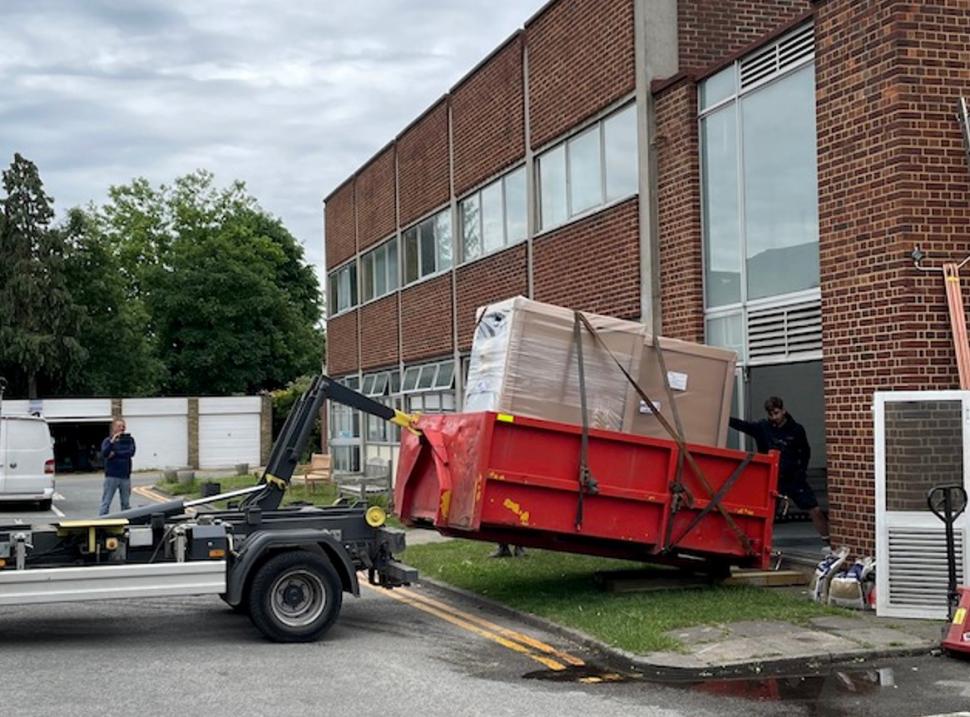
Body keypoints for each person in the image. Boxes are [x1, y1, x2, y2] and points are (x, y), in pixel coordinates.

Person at [729, 396, 830, 548]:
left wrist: (801, 471)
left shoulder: (796, 430)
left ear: (783, 411)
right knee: (767, 513)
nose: (774, 417)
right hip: (772, 477)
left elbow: (805, 452)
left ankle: (828, 541)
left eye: (776, 413)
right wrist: (727, 419)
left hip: (793, 476)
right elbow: (743, 426)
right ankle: (761, 544)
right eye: (771, 414)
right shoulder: (763, 427)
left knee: (813, 508)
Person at [99, 419, 136, 516]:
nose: (122, 428)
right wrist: (112, 442)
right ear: (113, 428)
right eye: (119, 426)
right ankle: (101, 523)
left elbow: (131, 453)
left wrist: (115, 453)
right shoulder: (107, 441)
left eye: (123, 426)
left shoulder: (130, 440)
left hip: (125, 476)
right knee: (106, 502)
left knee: (126, 504)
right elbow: (105, 453)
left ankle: (126, 525)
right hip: (112, 475)